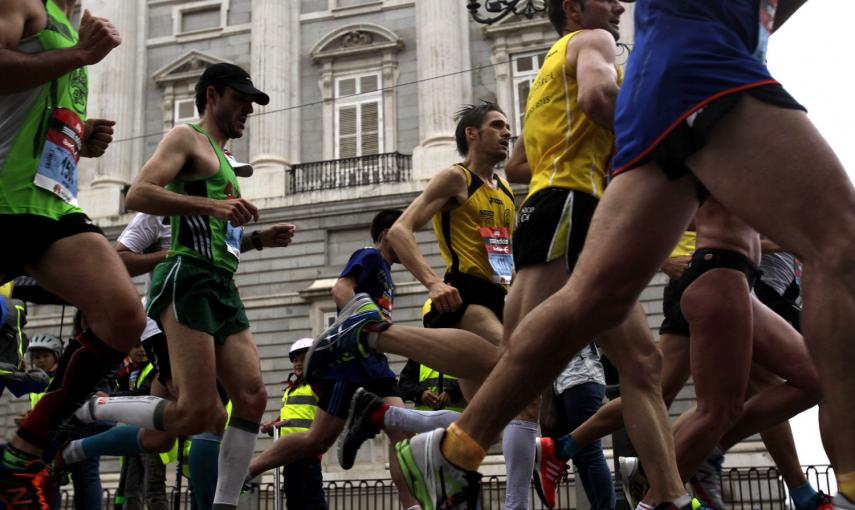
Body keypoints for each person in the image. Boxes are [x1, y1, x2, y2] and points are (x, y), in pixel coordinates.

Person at [369, 0, 855, 507]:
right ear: (575, 10)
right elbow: (597, 99)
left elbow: (520, 164)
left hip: (626, 141)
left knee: (615, 338)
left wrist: (631, 130)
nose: (619, 5)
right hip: (658, 118)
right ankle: (846, 486)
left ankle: (458, 446)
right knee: (840, 246)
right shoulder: (591, 42)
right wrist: (431, 281)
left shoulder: (583, 59)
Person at [72, 62, 292, 510]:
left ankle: (223, 505)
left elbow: (216, 236)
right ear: (212, 95)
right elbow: (138, 193)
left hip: (221, 283)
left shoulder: (225, 161)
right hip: (187, 280)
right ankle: (91, 408)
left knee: (252, 397)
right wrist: (211, 204)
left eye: (252, 102)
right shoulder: (186, 137)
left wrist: (255, 240)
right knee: (198, 414)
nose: (248, 109)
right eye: (240, 98)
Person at [0, 1, 146, 505]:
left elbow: (31, 109)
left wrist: (76, 137)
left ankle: (22, 456)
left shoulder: (72, 18)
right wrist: (80, 54)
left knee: (123, 316)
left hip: (48, 204)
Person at [248, 209, 420, 510]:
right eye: (406, 232)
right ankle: (246, 471)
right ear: (386, 235)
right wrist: (360, 323)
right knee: (316, 440)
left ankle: (411, 505)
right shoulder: (369, 257)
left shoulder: (388, 274)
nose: (411, 241)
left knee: (401, 430)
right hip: (350, 361)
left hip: (375, 362)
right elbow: (340, 289)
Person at [259, 338, 327, 510]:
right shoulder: (291, 389)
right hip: (289, 454)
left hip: (307, 452)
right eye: (295, 360)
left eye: (303, 359)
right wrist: (272, 425)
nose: (298, 364)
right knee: (294, 501)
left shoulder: (315, 383)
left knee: (312, 502)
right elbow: (287, 416)